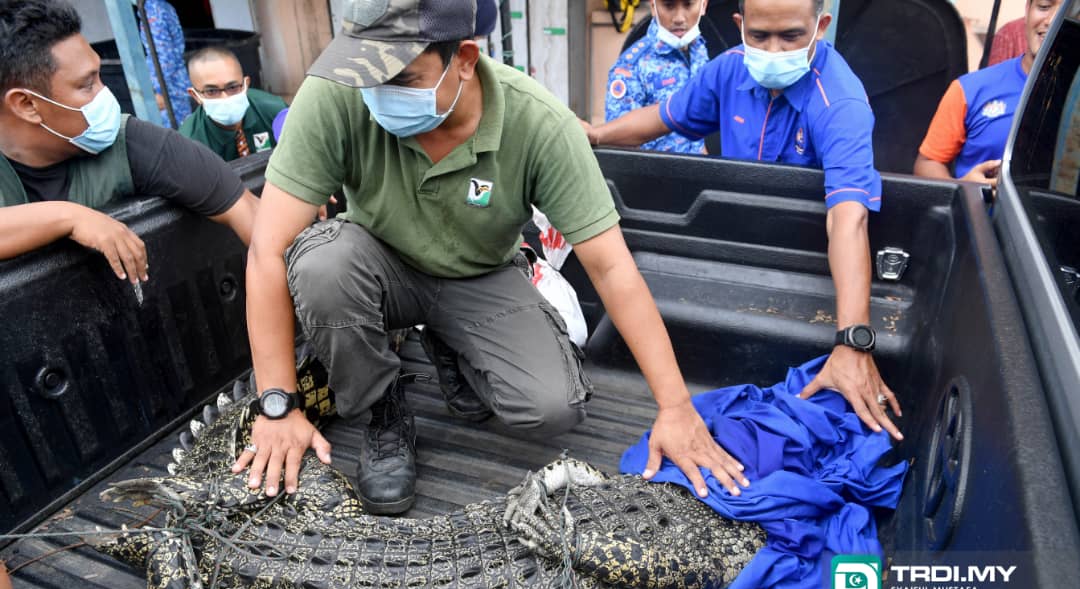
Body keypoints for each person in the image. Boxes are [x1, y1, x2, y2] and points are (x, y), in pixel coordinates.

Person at [234, 0, 748, 515]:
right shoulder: (339, 92)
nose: (380, 93)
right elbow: (267, 251)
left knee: (552, 408)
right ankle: (384, 407)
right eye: (371, 78)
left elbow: (612, 267)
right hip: (374, 266)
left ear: (463, 58)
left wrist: (676, 407)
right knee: (320, 263)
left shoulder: (537, 122)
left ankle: (447, 345)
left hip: (479, 274)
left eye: (403, 78)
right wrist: (277, 405)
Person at [582, 0, 903, 441]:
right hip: (730, 254)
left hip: (804, 271)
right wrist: (596, 134)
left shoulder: (841, 102)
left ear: (821, 26)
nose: (772, 51)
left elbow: (848, 220)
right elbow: (664, 117)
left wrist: (851, 342)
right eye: (759, 36)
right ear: (740, 26)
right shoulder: (728, 70)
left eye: (790, 36)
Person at [0, 0, 259, 285]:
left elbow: (244, 207)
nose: (105, 94)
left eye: (99, 76)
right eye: (86, 85)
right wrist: (69, 218)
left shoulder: (127, 142)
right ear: (26, 104)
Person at [914, 0, 1062, 188]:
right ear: (1027, 10)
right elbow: (927, 163)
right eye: (1043, 7)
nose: (1052, 20)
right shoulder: (971, 89)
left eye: (1071, 12)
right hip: (980, 216)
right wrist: (962, 189)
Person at [605, 0, 710, 154]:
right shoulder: (631, 66)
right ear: (653, 7)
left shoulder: (698, 49)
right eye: (669, 6)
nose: (679, 18)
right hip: (654, 174)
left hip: (698, 172)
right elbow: (618, 142)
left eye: (688, 5)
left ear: (703, 6)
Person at [180, 46, 288, 160]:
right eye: (211, 91)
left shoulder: (275, 112)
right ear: (195, 95)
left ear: (245, 84)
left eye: (232, 87)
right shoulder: (189, 145)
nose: (224, 97)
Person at [138, 0, 192, 128]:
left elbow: (164, 56)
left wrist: (159, 92)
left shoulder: (153, 10)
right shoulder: (156, 6)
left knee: (175, 140)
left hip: (169, 90)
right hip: (173, 86)